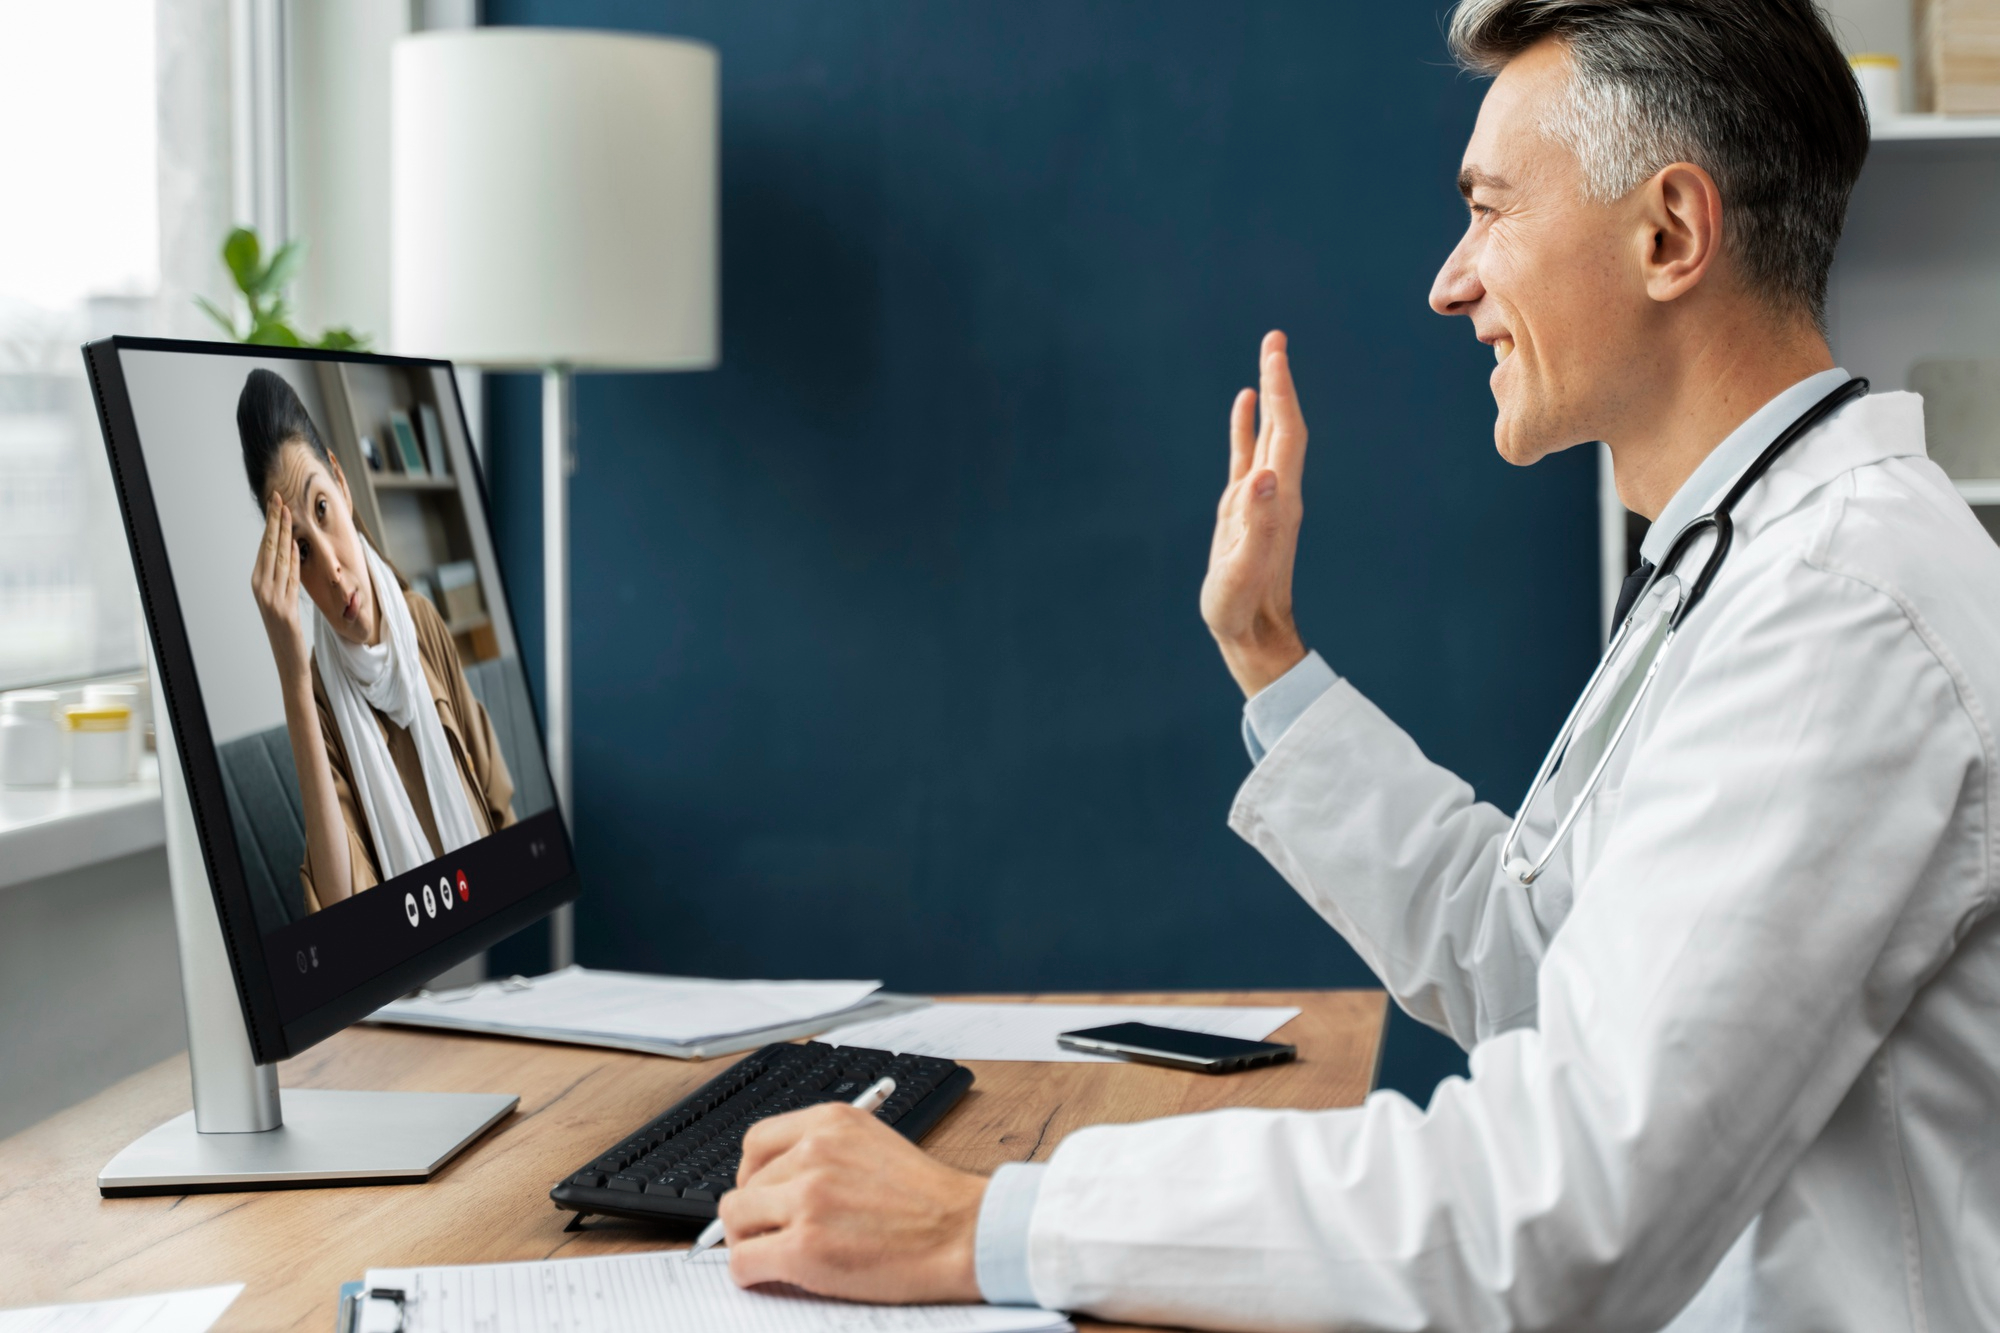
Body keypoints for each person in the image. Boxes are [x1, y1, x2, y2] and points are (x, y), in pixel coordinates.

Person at [707, 2, 2000, 1329]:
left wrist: (986, 1222)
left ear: (1669, 233)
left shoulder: (1840, 613)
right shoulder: (1746, 566)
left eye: (1490, 208)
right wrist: (1266, 651)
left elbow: (1553, 1212)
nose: (1452, 279)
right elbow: (1534, 972)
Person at [239, 368, 516, 912]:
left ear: (342, 484)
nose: (335, 572)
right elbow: (343, 908)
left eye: (322, 510)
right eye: (301, 552)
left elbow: (497, 805)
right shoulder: (317, 696)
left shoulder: (421, 621)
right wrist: (292, 675)